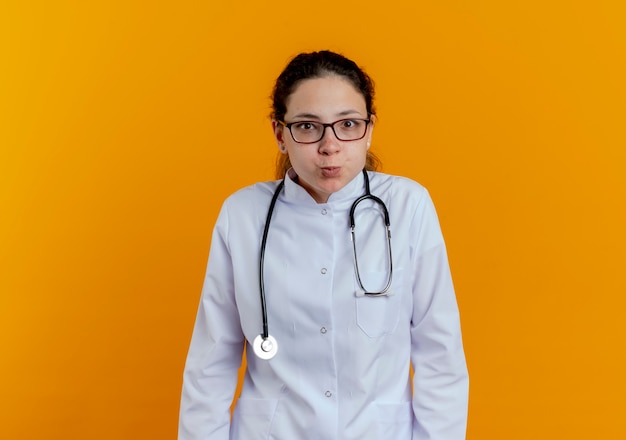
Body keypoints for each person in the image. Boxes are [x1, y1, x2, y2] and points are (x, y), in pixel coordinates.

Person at [178, 50, 469, 440]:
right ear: (280, 134)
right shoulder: (243, 214)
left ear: (369, 130)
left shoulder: (408, 206)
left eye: (347, 124)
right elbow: (210, 362)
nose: (329, 146)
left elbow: (440, 357)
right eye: (308, 126)